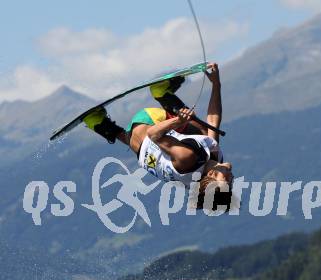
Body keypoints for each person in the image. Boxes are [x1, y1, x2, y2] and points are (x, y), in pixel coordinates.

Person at [83, 63, 233, 210]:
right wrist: (216, 84)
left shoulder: (188, 157)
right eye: (231, 184)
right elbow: (213, 120)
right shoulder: (211, 164)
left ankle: (162, 94)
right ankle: (99, 123)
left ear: (212, 174)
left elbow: (153, 134)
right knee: (207, 138)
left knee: (201, 133)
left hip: (147, 121)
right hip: (137, 146)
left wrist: (179, 120)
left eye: (226, 180)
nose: (231, 178)